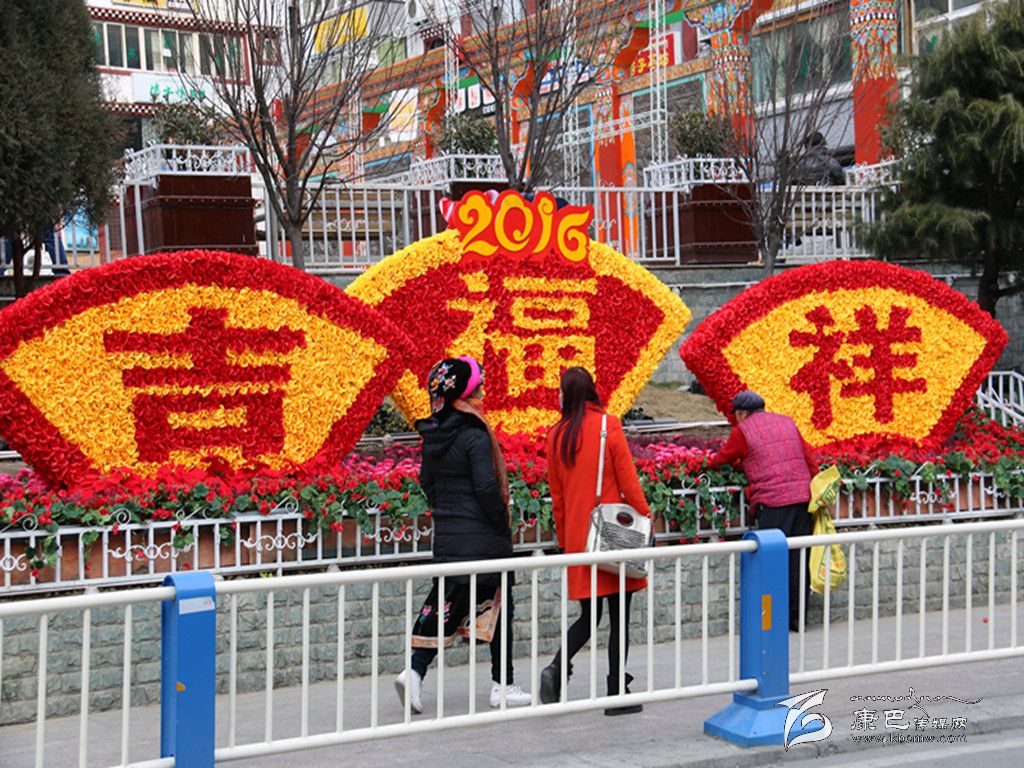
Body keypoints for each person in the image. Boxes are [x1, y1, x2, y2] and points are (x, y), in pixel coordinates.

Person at [394, 356, 530, 714]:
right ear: (466, 393)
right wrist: (500, 521)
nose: (482, 393)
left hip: (450, 538)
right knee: (500, 607)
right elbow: (486, 487)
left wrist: (448, 511)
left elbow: (427, 482)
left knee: (445, 604)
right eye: (478, 387)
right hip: (483, 540)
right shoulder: (473, 433)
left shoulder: (434, 433)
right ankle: (502, 686)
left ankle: (414, 672)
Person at [539, 367, 651, 716]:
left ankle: (557, 666)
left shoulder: (556, 435)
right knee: (619, 617)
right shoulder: (608, 426)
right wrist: (646, 519)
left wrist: (565, 542)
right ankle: (616, 691)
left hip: (579, 539)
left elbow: (558, 498)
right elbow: (629, 482)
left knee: (589, 616)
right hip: (612, 535)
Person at [706, 390, 819, 631]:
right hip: (802, 499)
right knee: (799, 560)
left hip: (774, 502)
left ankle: (773, 620)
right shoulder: (787, 422)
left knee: (772, 561)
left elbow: (722, 459)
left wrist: (707, 464)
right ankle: (798, 618)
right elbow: (808, 458)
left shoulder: (743, 430)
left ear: (742, 413)